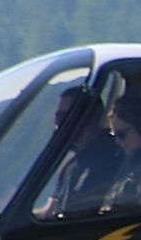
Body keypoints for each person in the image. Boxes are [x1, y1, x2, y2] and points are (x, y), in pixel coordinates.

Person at [35, 88, 121, 219]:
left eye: (64, 117)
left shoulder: (110, 157)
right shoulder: (73, 164)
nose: (57, 124)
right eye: (57, 117)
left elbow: (84, 214)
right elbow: (50, 209)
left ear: (86, 118)